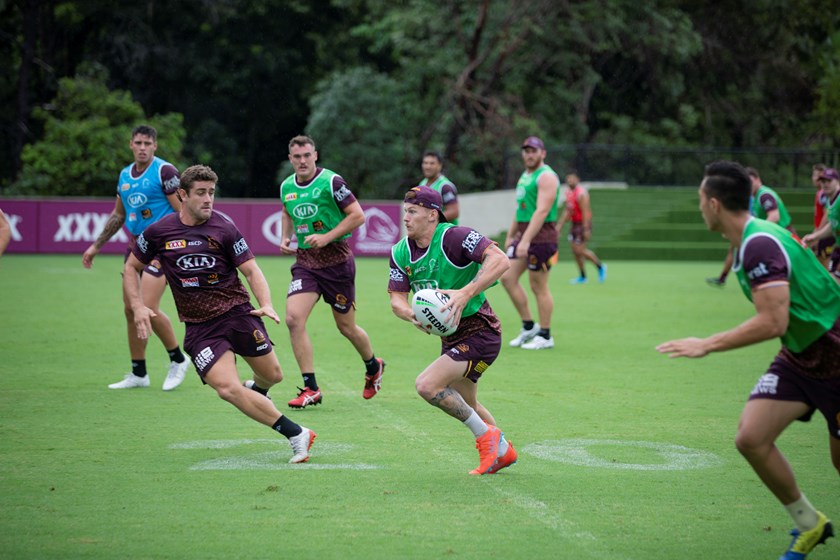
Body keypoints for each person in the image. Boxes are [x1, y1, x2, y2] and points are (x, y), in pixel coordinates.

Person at [657, 160, 838, 560]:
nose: (699, 207)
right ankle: (810, 523)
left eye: (701, 200)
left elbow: (774, 320)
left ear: (715, 204)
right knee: (751, 437)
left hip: (835, 351)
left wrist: (707, 343)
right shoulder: (748, 243)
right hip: (802, 353)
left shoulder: (759, 242)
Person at [125, 164, 316, 463]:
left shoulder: (224, 227)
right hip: (200, 329)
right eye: (200, 193)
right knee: (227, 388)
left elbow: (251, 270)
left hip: (238, 314)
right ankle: (296, 433)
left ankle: (258, 391)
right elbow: (131, 267)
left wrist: (265, 303)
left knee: (273, 375)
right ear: (182, 195)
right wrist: (137, 306)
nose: (208, 199)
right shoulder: (159, 232)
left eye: (211, 193)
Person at [388, 185, 517, 475]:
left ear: (432, 216)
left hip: (480, 330)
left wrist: (465, 293)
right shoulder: (400, 251)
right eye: (405, 211)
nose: (405, 218)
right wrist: (412, 314)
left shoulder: (454, 236)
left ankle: (487, 440)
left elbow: (500, 260)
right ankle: (502, 452)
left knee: (427, 385)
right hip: (450, 337)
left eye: (413, 212)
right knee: (468, 403)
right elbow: (396, 299)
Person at [278, 135, 385, 408]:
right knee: (293, 319)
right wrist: (285, 237)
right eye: (296, 157)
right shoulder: (287, 186)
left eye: (306, 155)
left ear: (315, 155)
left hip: (337, 263)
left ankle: (373, 366)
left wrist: (326, 237)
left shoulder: (332, 182)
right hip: (305, 264)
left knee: (346, 327)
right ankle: (311, 388)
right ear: (290, 159)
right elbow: (287, 211)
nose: (302, 161)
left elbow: (357, 216)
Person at [82, 125, 189, 391]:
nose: (142, 147)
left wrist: (182, 246)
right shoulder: (124, 175)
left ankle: (178, 359)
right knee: (131, 310)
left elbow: (182, 212)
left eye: (147, 143)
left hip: (162, 249)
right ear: (131, 144)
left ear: (155, 146)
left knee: (147, 308)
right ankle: (139, 373)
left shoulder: (165, 172)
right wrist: (97, 245)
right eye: (138, 143)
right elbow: (119, 214)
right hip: (135, 249)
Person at [501, 136, 559, 350]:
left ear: (542, 153)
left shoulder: (547, 177)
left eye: (533, 151)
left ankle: (545, 335)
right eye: (526, 150)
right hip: (525, 234)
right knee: (507, 277)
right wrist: (512, 235)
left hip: (542, 237)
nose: (529, 154)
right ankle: (529, 326)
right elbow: (521, 208)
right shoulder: (525, 176)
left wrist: (525, 240)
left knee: (538, 286)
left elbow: (542, 211)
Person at [556, 170, 606, 284]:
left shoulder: (581, 194)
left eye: (572, 178)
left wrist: (586, 228)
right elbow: (567, 211)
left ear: (578, 180)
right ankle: (583, 276)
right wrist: (559, 226)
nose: (570, 180)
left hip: (582, 224)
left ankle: (600, 266)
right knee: (575, 252)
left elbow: (585, 212)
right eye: (568, 178)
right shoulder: (569, 193)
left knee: (580, 250)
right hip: (574, 225)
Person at [803, 168, 840, 282]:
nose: (825, 184)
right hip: (838, 248)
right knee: (832, 282)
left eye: (829, 181)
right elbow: (832, 225)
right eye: (823, 181)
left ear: (837, 181)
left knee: (834, 283)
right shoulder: (830, 201)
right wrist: (815, 236)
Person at [749, 167, 796, 235]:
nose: (749, 185)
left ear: (758, 179)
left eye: (751, 182)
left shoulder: (764, 195)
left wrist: (758, 232)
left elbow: (774, 217)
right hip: (777, 234)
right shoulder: (754, 198)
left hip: (783, 234)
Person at [418, 150, 459, 224]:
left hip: (446, 233)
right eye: (425, 163)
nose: (428, 166)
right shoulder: (422, 184)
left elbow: (454, 212)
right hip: (430, 233)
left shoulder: (445, 186)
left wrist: (431, 220)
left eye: (432, 163)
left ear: (440, 166)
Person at [810, 163, 834, 268]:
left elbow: (827, 214)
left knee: (825, 264)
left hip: (825, 234)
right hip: (822, 232)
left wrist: (817, 234)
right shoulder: (821, 193)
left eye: (815, 175)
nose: (813, 178)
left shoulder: (823, 194)